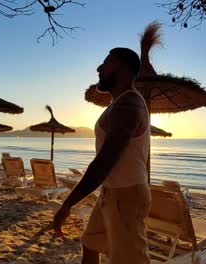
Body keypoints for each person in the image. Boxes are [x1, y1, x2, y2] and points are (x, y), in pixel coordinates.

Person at [53, 47, 151, 264]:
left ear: (122, 68)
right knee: (90, 243)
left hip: (126, 196)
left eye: (106, 63)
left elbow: (104, 163)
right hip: (111, 192)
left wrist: (67, 205)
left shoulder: (128, 104)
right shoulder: (118, 104)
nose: (99, 68)